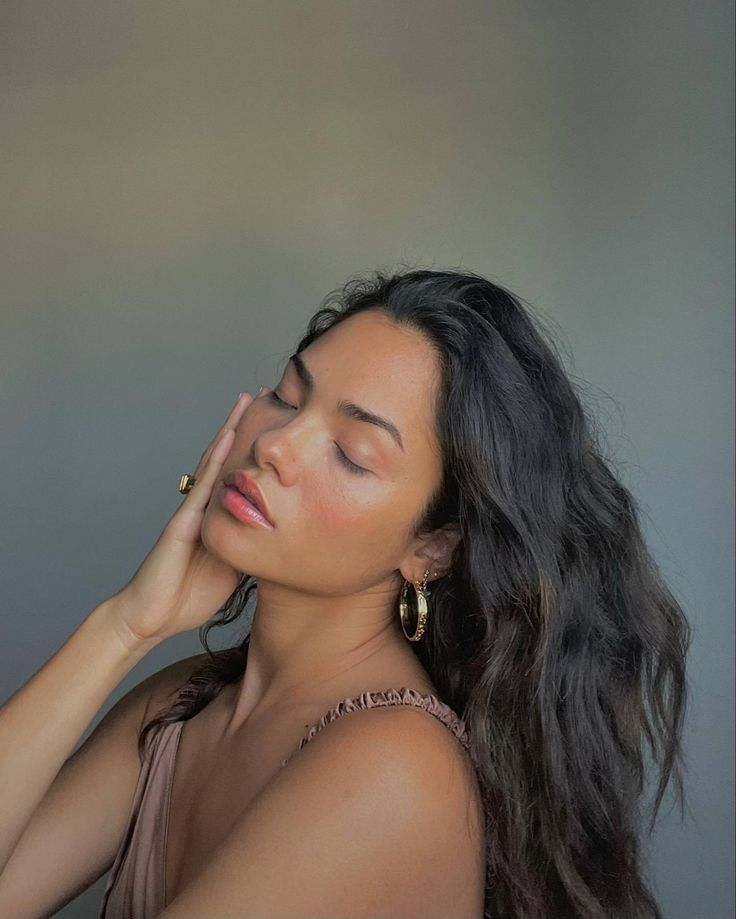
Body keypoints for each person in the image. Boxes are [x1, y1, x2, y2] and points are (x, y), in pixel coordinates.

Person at [0, 268, 691, 919]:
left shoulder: (395, 769)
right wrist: (124, 627)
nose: (276, 443)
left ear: (431, 548)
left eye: (352, 452)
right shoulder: (182, 706)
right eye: (286, 395)